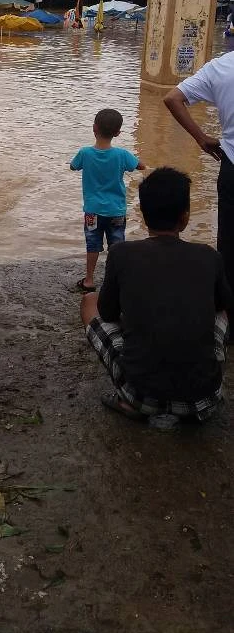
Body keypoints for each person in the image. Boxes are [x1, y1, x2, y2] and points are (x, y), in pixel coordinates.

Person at [80, 168, 231, 423]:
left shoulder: (121, 254)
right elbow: (223, 306)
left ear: (143, 214)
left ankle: (128, 402)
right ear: (185, 217)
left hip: (141, 396)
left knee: (89, 301)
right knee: (222, 310)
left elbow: (107, 312)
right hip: (203, 398)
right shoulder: (209, 255)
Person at [164, 51, 234, 322]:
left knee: (229, 244)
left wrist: (201, 138)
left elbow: (172, 98)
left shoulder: (220, 67)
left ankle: (228, 320)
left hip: (231, 167)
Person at [70, 108, 145, 292]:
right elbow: (141, 166)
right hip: (116, 210)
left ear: (94, 128)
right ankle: (115, 280)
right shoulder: (122, 154)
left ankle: (89, 280)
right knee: (117, 246)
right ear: (118, 133)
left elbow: (73, 166)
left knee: (92, 244)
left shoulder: (85, 153)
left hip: (92, 211)